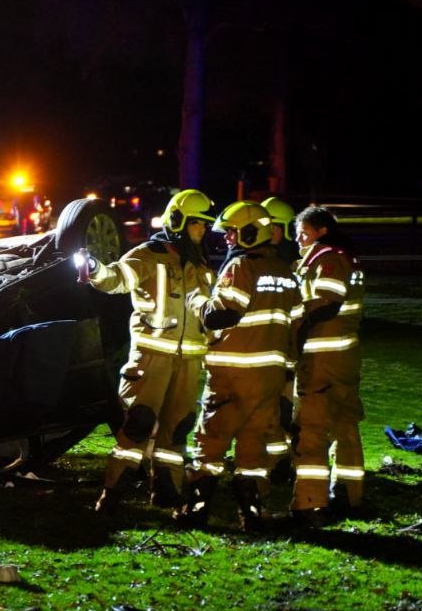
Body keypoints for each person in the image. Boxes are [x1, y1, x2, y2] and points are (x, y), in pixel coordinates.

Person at [83, 188, 216, 514]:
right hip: (151, 360)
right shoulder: (147, 254)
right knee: (138, 425)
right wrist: (95, 268)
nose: (202, 230)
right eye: (197, 223)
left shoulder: (201, 265)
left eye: (205, 224)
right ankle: (113, 494)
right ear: (178, 221)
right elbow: (116, 278)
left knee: (178, 428)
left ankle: (167, 491)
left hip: (189, 362)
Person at [180, 201, 300, 530]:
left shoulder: (241, 266)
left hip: (231, 375)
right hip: (268, 377)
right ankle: (253, 514)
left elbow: (222, 315)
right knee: (253, 449)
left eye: (232, 232)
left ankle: (195, 511)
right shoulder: (285, 272)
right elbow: (296, 325)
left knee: (210, 445)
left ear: (250, 232)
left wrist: (196, 300)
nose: (227, 239)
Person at [290, 205, 366, 525]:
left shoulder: (327, 258)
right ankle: (350, 494)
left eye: (303, 233)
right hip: (345, 357)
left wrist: (291, 318)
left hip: (321, 359)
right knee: (345, 425)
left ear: (322, 232)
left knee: (312, 429)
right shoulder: (348, 258)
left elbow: (326, 302)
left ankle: (310, 502)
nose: (298, 239)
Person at [260, 195, 300, 482]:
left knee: (288, 411)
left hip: (290, 351)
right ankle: (277, 462)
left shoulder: (293, 264)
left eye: (271, 226)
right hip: (268, 348)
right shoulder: (260, 260)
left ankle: (287, 461)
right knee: (271, 409)